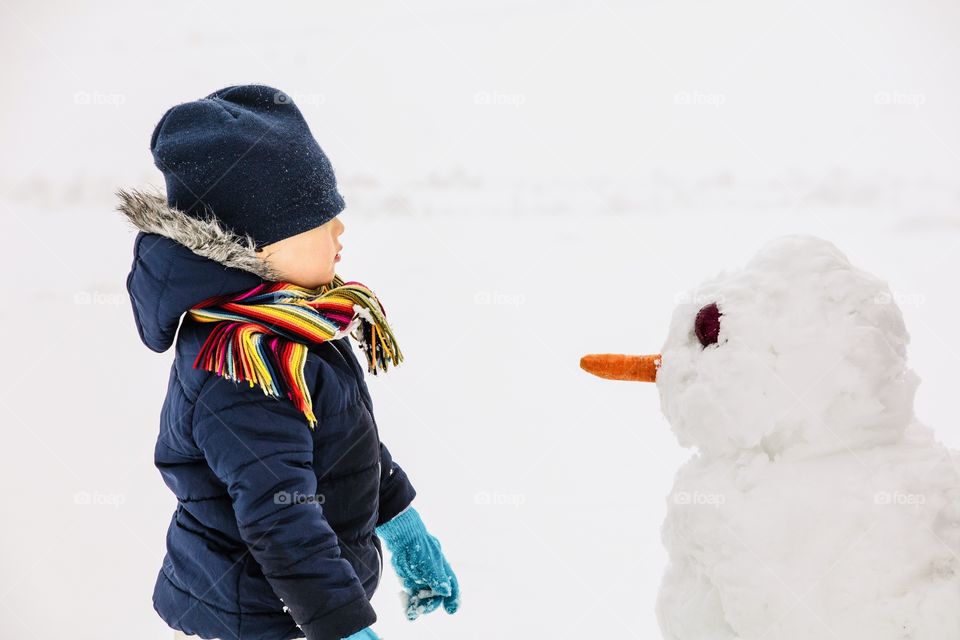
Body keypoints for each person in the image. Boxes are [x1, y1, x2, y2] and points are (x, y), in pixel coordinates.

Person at [118, 84, 459, 640]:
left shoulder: (293, 323)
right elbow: (281, 518)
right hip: (255, 615)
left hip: (294, 604)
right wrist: (342, 625)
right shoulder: (242, 362)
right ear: (257, 244)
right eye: (318, 218)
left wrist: (400, 521)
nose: (339, 230)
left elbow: (341, 441)